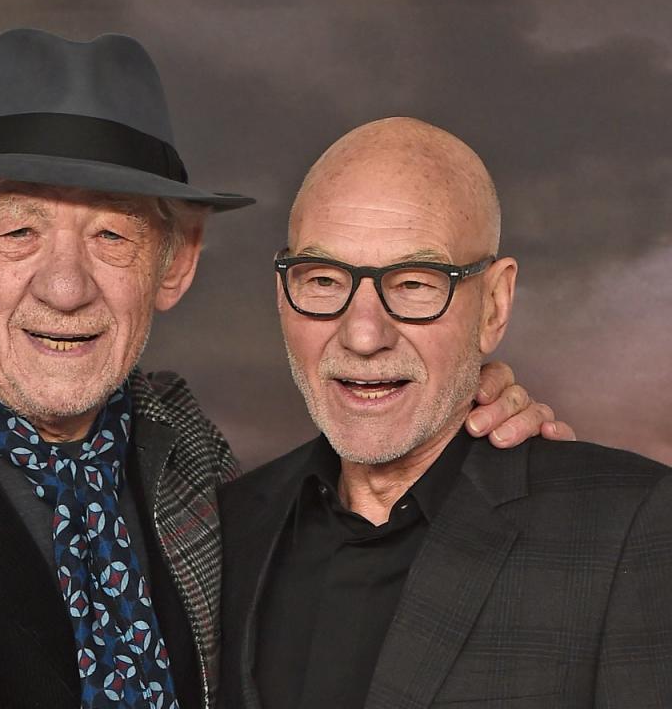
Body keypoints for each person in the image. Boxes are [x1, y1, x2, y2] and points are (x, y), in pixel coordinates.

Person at [0, 31, 565, 709]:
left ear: (176, 263)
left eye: (112, 237)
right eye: (19, 232)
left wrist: (463, 444)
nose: (66, 285)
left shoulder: (204, 478)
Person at [218, 117, 672, 709]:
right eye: (325, 279)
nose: (362, 334)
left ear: (494, 305)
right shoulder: (219, 530)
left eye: (414, 283)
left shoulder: (631, 529)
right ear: (283, 294)